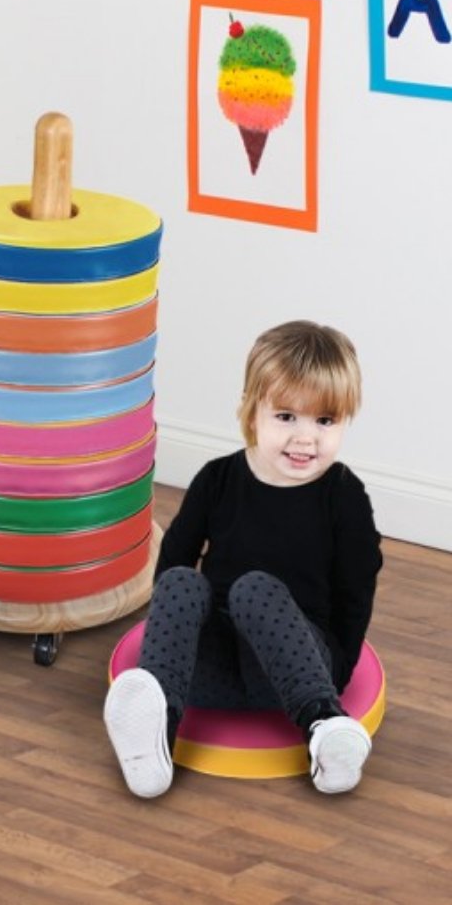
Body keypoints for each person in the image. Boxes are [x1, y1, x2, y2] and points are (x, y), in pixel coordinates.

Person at [104, 320, 382, 798]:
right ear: (252, 411)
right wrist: (168, 649)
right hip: (217, 668)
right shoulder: (217, 479)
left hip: (299, 668)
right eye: (287, 417)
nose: (306, 439)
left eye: (325, 421)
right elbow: (175, 559)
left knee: (253, 587)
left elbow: (357, 589)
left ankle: (323, 726)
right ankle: (156, 734)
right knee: (180, 582)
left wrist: (339, 670)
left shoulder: (343, 494)